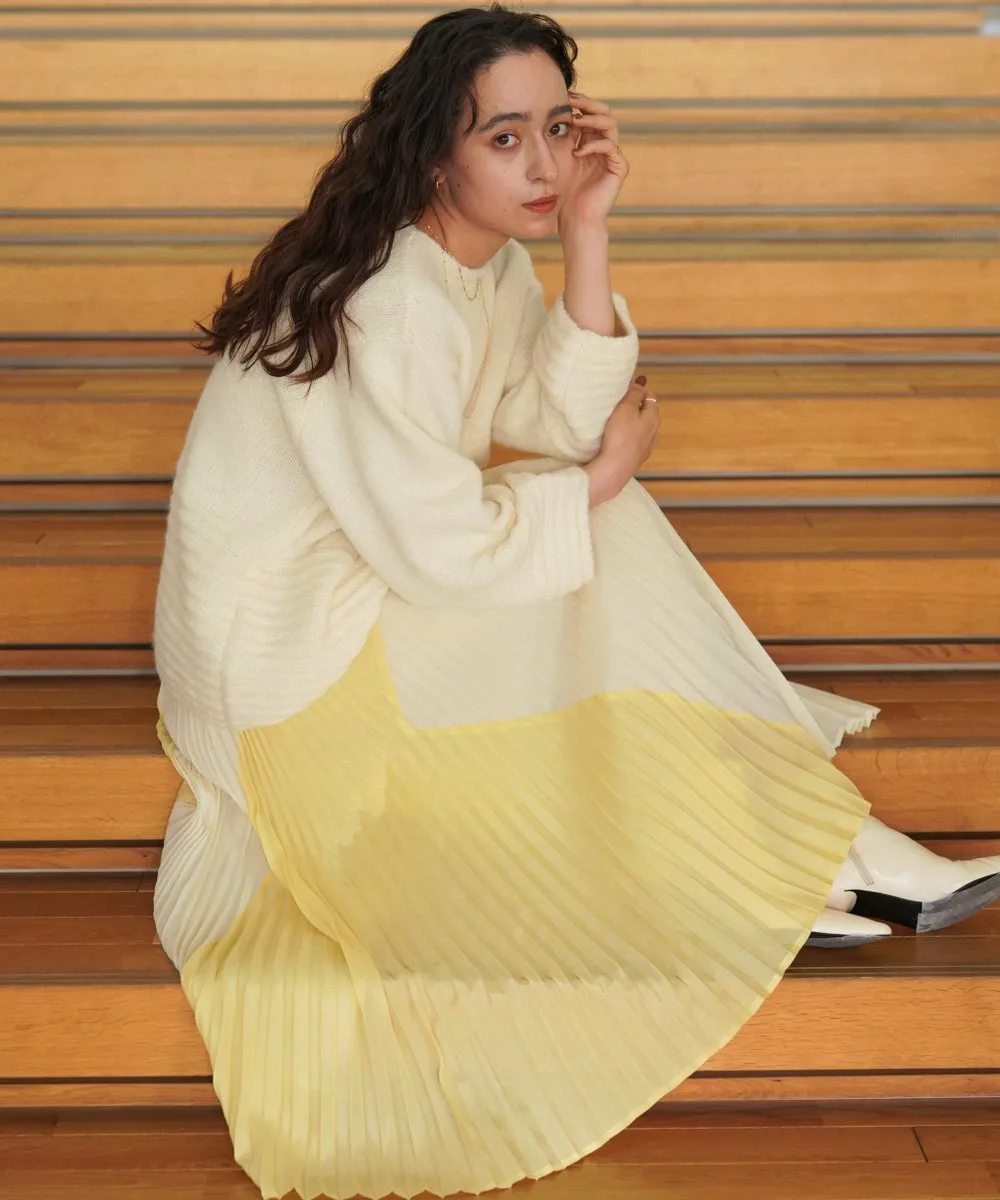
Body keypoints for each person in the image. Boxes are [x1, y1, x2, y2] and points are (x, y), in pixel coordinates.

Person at [151, 5, 1000, 1198]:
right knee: (593, 515)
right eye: (505, 138)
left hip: (360, 588)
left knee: (585, 511)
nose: (544, 164)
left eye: (558, 128)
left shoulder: (472, 258)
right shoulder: (392, 299)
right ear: (432, 151)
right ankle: (808, 848)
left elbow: (546, 420)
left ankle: (792, 853)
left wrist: (590, 234)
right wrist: (598, 480)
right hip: (279, 666)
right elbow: (461, 541)